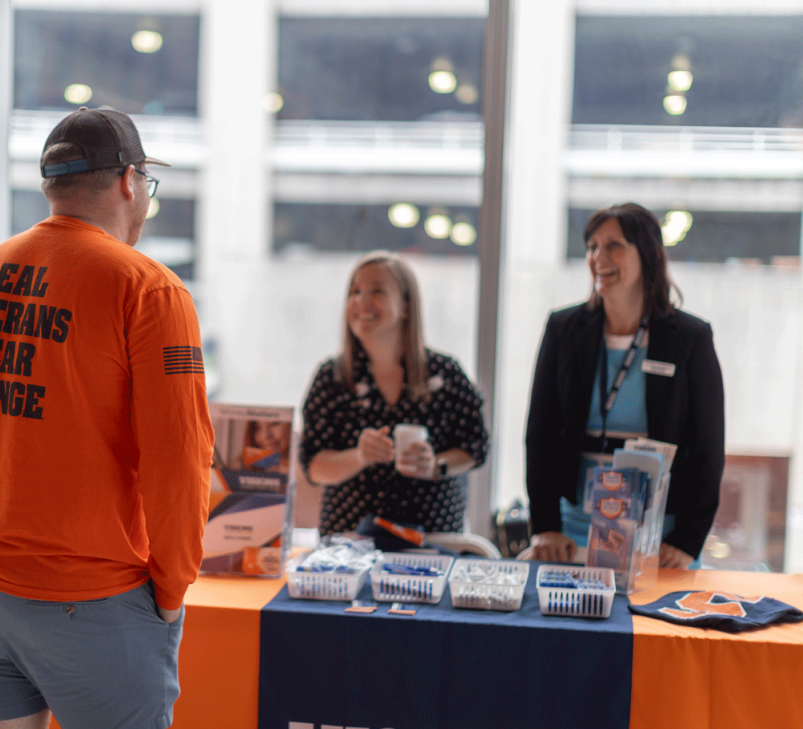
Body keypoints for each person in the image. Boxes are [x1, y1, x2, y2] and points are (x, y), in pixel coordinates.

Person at [0, 107, 213, 729]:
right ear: (131, 183)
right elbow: (180, 457)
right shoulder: (148, 288)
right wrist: (172, 584)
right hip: (86, 591)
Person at [522, 202, 725, 568]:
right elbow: (541, 433)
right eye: (592, 247)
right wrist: (546, 526)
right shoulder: (563, 329)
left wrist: (687, 541)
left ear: (647, 254)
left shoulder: (690, 338)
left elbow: (709, 447)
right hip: (573, 529)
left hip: (658, 535)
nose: (599, 257)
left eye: (614, 245)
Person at [299, 250, 488, 536]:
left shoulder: (445, 372)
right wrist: (360, 456)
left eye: (376, 291)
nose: (361, 302)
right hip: (349, 546)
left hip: (435, 541)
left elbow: (476, 447)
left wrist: (435, 465)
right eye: (354, 291)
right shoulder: (332, 377)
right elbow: (313, 466)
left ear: (406, 307)